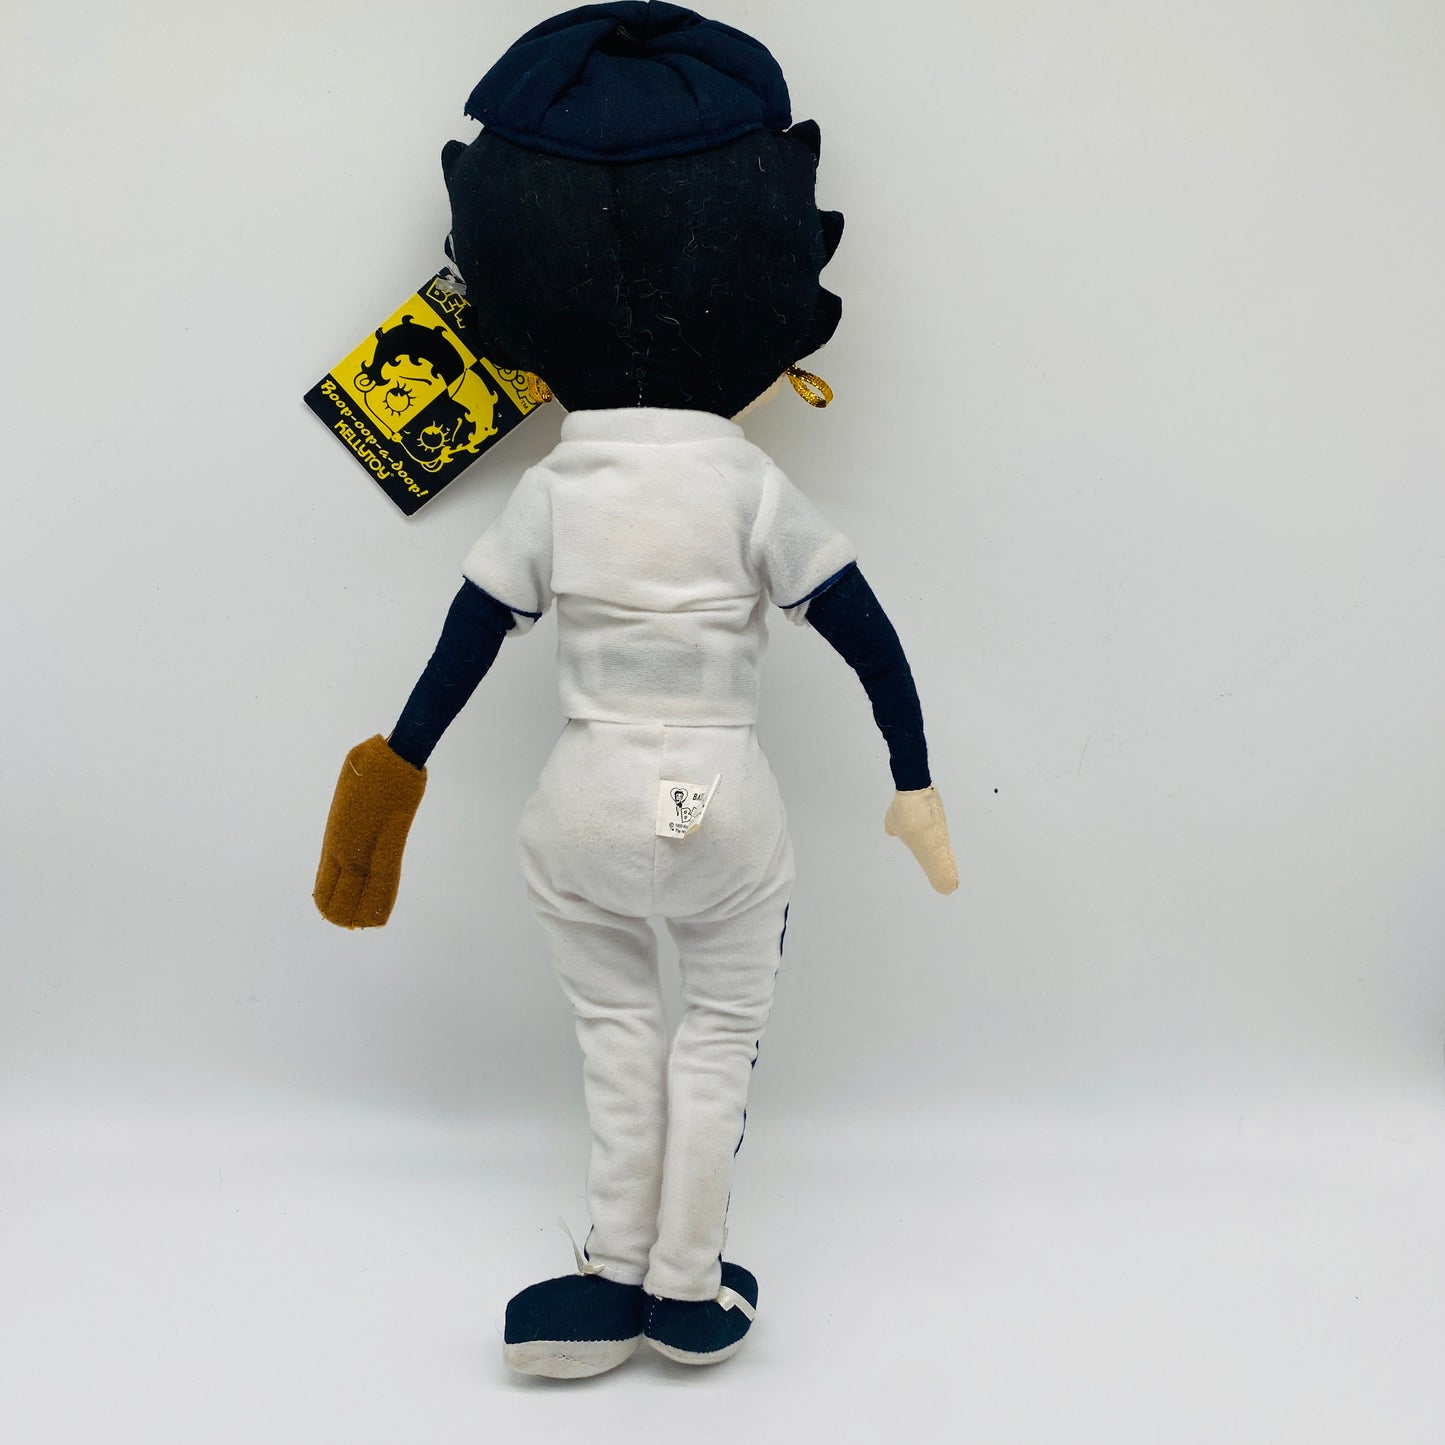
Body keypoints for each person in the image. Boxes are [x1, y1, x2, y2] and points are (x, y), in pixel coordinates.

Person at [314, 2, 957, 1378]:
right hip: (730, 806)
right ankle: (687, 1285)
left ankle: (606, 1275)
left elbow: (466, 641)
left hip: (580, 803)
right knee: (715, 1039)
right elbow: (867, 635)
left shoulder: (555, 489)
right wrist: (913, 783)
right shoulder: (751, 486)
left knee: (614, 1032)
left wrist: (393, 775)